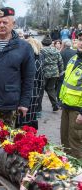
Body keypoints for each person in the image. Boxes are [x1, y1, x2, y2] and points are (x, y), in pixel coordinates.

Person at [59, 31, 82, 159]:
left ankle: (78, 175)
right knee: (65, 142)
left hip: (78, 111)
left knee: (76, 144)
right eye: (80, 39)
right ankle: (67, 173)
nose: (81, 43)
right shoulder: (74, 58)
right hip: (67, 106)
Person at [16, 38, 44, 129]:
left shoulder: (28, 60)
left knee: (21, 119)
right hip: (34, 92)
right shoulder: (40, 59)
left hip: (25, 92)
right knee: (30, 119)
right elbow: (41, 81)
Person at [41, 35, 64, 111]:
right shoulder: (56, 51)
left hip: (44, 72)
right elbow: (60, 62)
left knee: (41, 89)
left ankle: (38, 108)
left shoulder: (41, 50)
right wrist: (61, 72)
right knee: (51, 88)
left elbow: (40, 62)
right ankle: (55, 105)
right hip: (55, 72)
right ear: (51, 43)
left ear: (43, 43)